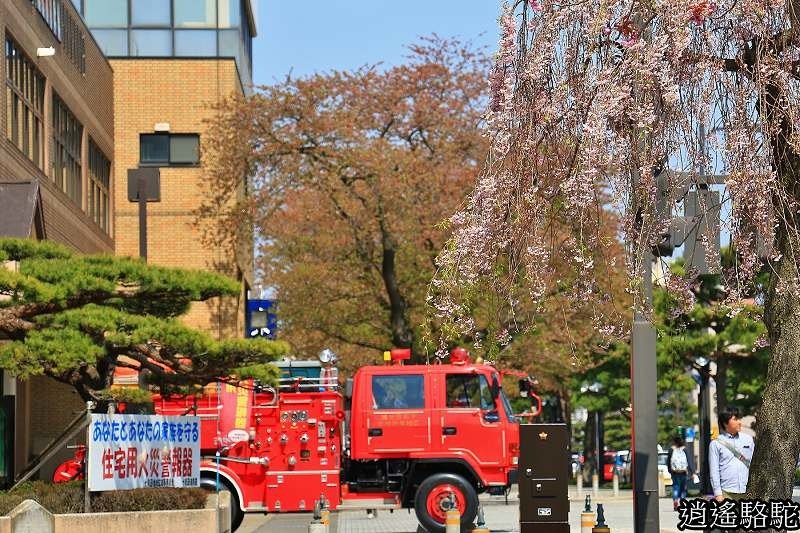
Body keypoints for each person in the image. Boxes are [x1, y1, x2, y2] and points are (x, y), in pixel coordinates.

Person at [709, 406, 754, 501]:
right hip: (726, 492)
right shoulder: (716, 444)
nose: (739, 422)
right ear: (725, 423)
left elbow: (754, 464)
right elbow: (714, 471)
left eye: (739, 419)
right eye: (735, 419)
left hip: (747, 491)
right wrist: (718, 494)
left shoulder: (748, 439)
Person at [667, 435, 691, 510]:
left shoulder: (671, 449)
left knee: (675, 487)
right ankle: (682, 502)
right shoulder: (684, 449)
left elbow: (668, 461)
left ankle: (675, 501)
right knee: (683, 488)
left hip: (674, 472)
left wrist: (670, 470)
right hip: (683, 472)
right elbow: (689, 461)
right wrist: (692, 471)